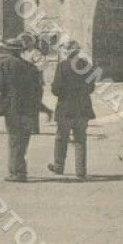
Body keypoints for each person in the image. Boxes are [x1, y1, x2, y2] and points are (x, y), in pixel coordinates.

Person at [47, 41, 95, 180]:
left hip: (65, 108)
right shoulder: (87, 66)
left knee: (61, 138)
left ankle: (59, 166)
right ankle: (80, 170)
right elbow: (91, 88)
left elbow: (56, 88)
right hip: (83, 108)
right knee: (80, 139)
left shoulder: (62, 66)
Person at [0, 37, 43, 182]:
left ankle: (16, 172)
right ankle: (18, 169)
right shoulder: (31, 67)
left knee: (14, 139)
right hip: (27, 109)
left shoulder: (4, 64)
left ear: (8, 50)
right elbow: (38, 90)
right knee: (23, 140)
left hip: (12, 108)